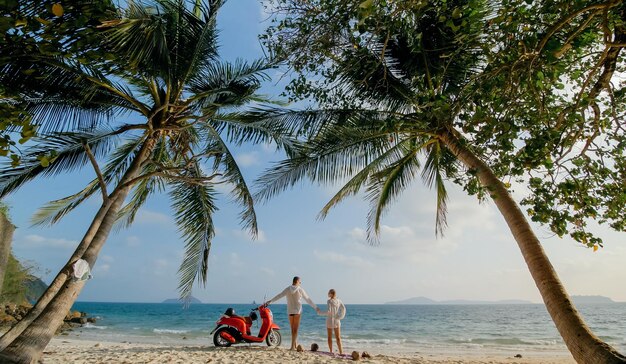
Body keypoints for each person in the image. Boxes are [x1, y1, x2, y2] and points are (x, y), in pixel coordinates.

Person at [265, 276, 319, 350]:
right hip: (297, 311)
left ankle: (295, 345)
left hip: (290, 311)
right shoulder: (300, 289)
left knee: (292, 329)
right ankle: (292, 347)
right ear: (297, 281)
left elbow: (279, 295)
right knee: (295, 330)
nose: (300, 283)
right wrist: (316, 307)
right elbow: (308, 299)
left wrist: (270, 301)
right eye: (300, 282)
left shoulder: (288, 289)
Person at [317, 289, 346, 355]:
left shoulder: (329, 301)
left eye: (329, 293)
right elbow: (343, 309)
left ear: (331, 294)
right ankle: (341, 352)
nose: (328, 293)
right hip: (336, 320)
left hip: (330, 320)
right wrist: (339, 316)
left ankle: (331, 351)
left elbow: (328, 311)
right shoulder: (339, 300)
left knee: (329, 337)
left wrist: (319, 313)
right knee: (338, 337)